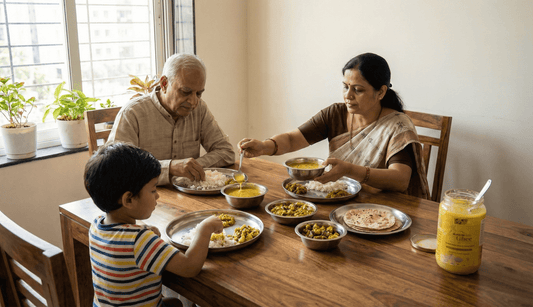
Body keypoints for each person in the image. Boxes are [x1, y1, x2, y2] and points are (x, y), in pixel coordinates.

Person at [238, 53, 430, 199]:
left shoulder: (397, 126)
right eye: (345, 86)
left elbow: (400, 179)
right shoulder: (335, 114)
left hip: (384, 207)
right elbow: (292, 139)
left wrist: (350, 170)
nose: (348, 95)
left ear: (380, 92)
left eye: (358, 90)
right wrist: (264, 146)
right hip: (340, 200)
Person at [84, 142, 224, 307]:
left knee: (175, 304)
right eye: (152, 190)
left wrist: (146, 234)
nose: (157, 196)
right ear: (128, 199)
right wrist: (204, 229)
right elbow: (189, 267)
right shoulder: (139, 241)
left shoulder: (96, 226)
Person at [107, 53, 235, 186]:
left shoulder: (199, 108)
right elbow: (116, 167)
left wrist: (193, 167)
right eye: (185, 92)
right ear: (164, 84)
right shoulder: (133, 113)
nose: (193, 101)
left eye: (199, 93)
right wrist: (170, 168)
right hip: (143, 200)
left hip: (190, 196)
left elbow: (226, 152)